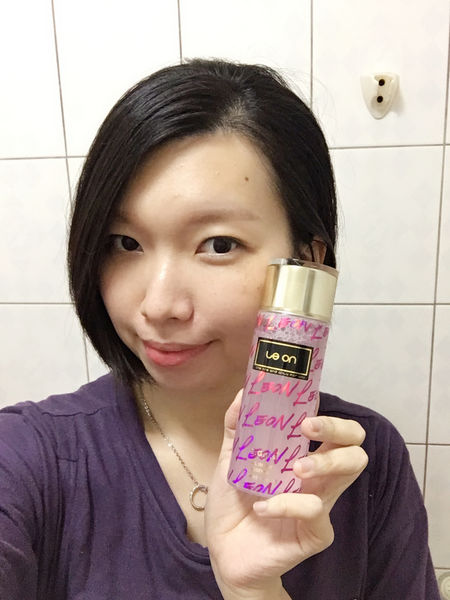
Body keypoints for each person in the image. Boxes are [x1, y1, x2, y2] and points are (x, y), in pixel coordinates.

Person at [0, 59, 439, 600]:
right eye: (126, 243)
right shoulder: (26, 457)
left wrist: (254, 590)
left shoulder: (367, 467)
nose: (159, 306)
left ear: (306, 262)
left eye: (219, 244)